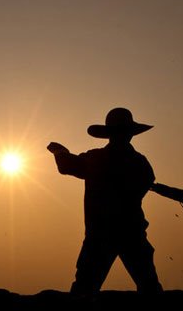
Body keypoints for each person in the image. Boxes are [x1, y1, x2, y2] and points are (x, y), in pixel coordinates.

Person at [48, 107, 163, 294]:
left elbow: (68, 165)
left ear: (109, 134)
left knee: (84, 289)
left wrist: (59, 152)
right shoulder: (140, 162)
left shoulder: (96, 159)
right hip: (131, 232)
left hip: (101, 234)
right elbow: (146, 182)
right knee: (149, 286)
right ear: (130, 134)